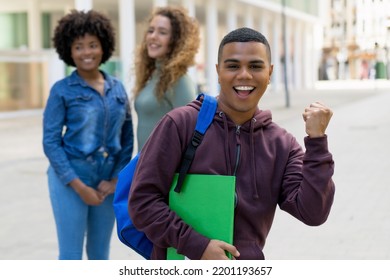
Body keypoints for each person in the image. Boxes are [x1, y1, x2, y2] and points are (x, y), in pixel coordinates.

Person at [128, 27, 335, 260]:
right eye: (233, 66)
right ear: (218, 71)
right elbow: (142, 202)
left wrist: (317, 143)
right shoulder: (180, 124)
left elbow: (313, 212)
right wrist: (197, 245)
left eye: (255, 66)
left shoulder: (282, 145)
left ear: (270, 72)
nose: (244, 75)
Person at [42, 9, 134, 260]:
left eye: (92, 45)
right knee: (71, 256)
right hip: (70, 181)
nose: (87, 53)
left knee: (100, 255)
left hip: (107, 183)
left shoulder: (118, 88)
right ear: (69, 52)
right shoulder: (62, 90)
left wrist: (116, 179)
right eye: (79, 47)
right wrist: (79, 186)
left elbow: (127, 138)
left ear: (103, 46)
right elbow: (50, 142)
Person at [133, 6, 200, 150]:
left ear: (176, 41)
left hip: (163, 168)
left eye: (162, 32)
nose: (153, 36)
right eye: (151, 31)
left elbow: (190, 134)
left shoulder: (179, 81)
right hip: (143, 165)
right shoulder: (152, 76)